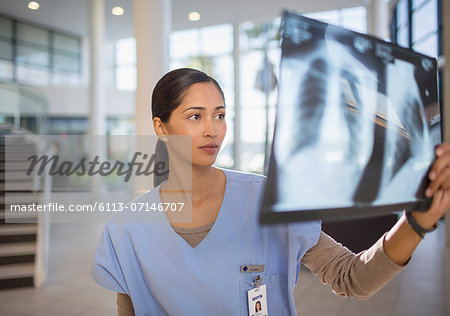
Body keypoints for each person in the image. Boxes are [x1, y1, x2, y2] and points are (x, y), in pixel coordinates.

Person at [91, 68, 450, 316]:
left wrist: (416, 223)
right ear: (161, 127)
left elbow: (352, 278)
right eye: (195, 116)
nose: (213, 130)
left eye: (220, 115)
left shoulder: (266, 199)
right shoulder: (128, 230)